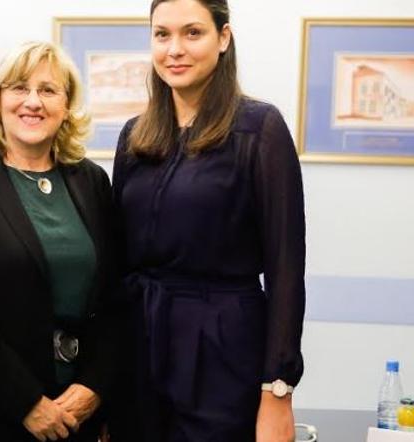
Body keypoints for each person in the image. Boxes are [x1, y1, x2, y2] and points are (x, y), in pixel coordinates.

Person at [111, 0, 306, 441]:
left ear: (223, 38)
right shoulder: (134, 136)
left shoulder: (259, 129)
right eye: (162, 34)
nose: (175, 49)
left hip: (221, 352)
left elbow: (285, 267)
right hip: (139, 350)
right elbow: (117, 262)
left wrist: (278, 389)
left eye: (192, 33)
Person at [0, 41, 118, 442]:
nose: (33, 102)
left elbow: (116, 298)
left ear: (67, 106)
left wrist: (95, 387)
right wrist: (27, 402)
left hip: (76, 415)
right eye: (18, 88)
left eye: (48, 90)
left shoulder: (92, 182)